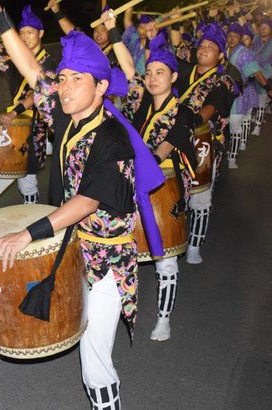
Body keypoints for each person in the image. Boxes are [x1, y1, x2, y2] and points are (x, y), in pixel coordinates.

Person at [0, 2, 165, 408]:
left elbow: (88, 200)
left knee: (94, 361)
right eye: (63, 78)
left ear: (101, 87)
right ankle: (0, 332)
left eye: (76, 80)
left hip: (106, 260)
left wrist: (29, 232)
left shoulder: (112, 139)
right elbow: (30, 69)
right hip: (73, 246)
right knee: (47, 300)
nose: (64, 86)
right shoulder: (67, 115)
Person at [105, 12, 197, 341]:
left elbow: (172, 141)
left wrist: (151, 158)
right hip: (132, 184)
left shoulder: (182, 111)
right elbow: (129, 67)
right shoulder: (140, 105)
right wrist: (113, 28)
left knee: (164, 262)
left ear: (174, 77)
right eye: (151, 73)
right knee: (118, 248)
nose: (153, 77)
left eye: (161, 72)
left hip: (163, 187)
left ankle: (163, 318)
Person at [0, 3, 57, 203]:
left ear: (41, 33)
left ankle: (31, 210)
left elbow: (34, 96)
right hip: (18, 119)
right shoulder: (16, 57)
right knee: (17, 165)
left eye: (30, 32)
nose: (25, 36)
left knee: (27, 172)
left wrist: (13, 113)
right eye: (22, 32)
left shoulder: (48, 62)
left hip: (36, 123)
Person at [171, 18, 237, 264]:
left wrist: (190, 119)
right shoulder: (185, 71)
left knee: (200, 198)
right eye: (202, 44)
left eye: (211, 46)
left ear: (221, 55)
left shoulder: (222, 81)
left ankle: (195, 244)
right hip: (176, 138)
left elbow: (210, 109)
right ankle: (173, 239)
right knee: (174, 191)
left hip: (203, 144)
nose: (204, 48)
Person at [225, 22, 270, 168]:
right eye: (230, 36)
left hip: (239, 96)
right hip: (222, 97)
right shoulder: (223, 50)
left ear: (240, 38)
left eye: (235, 36)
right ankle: (227, 152)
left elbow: (256, 73)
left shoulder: (243, 53)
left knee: (235, 126)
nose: (232, 39)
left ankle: (232, 159)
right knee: (225, 128)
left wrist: (268, 88)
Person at [250, 18, 272, 136]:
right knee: (254, 101)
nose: (262, 29)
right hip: (253, 74)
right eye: (261, 27)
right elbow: (250, 27)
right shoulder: (256, 39)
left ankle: (257, 126)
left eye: (266, 27)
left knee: (262, 102)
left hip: (267, 76)